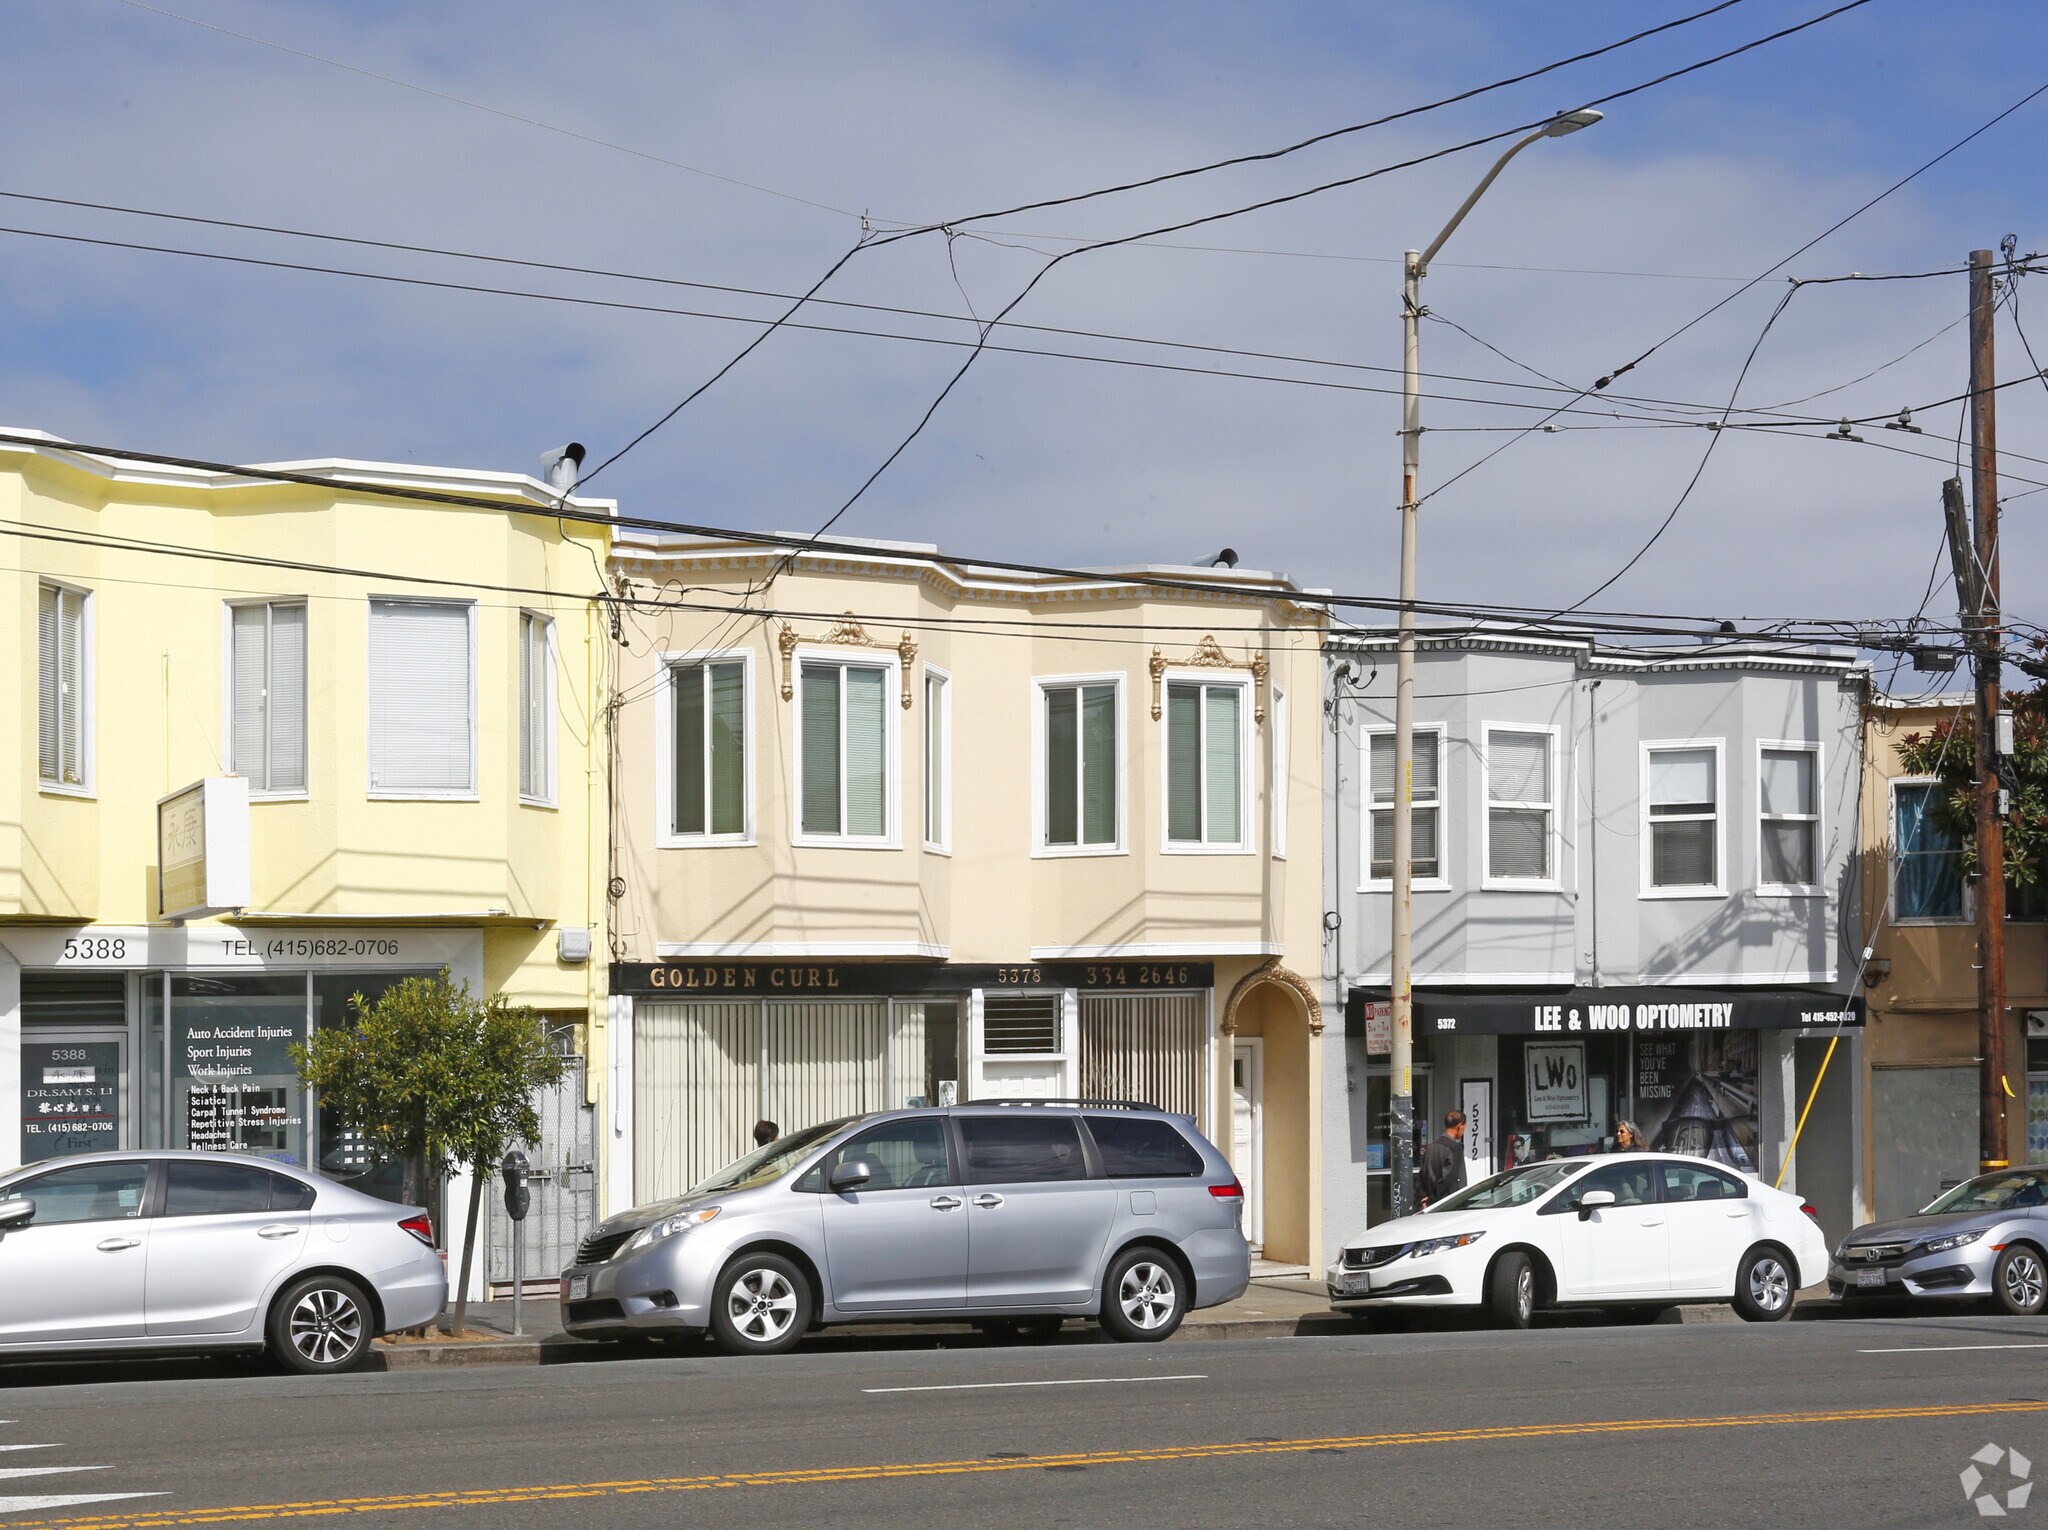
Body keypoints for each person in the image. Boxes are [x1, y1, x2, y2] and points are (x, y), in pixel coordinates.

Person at [1417, 1109, 1467, 1209]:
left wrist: (1423, 1198)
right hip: (1449, 1203)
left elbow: (1422, 1174)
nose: (1464, 1131)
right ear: (1460, 1125)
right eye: (1464, 1127)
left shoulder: (1431, 1147)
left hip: (1430, 1205)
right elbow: (1448, 1179)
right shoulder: (1454, 1148)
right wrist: (1432, 1198)